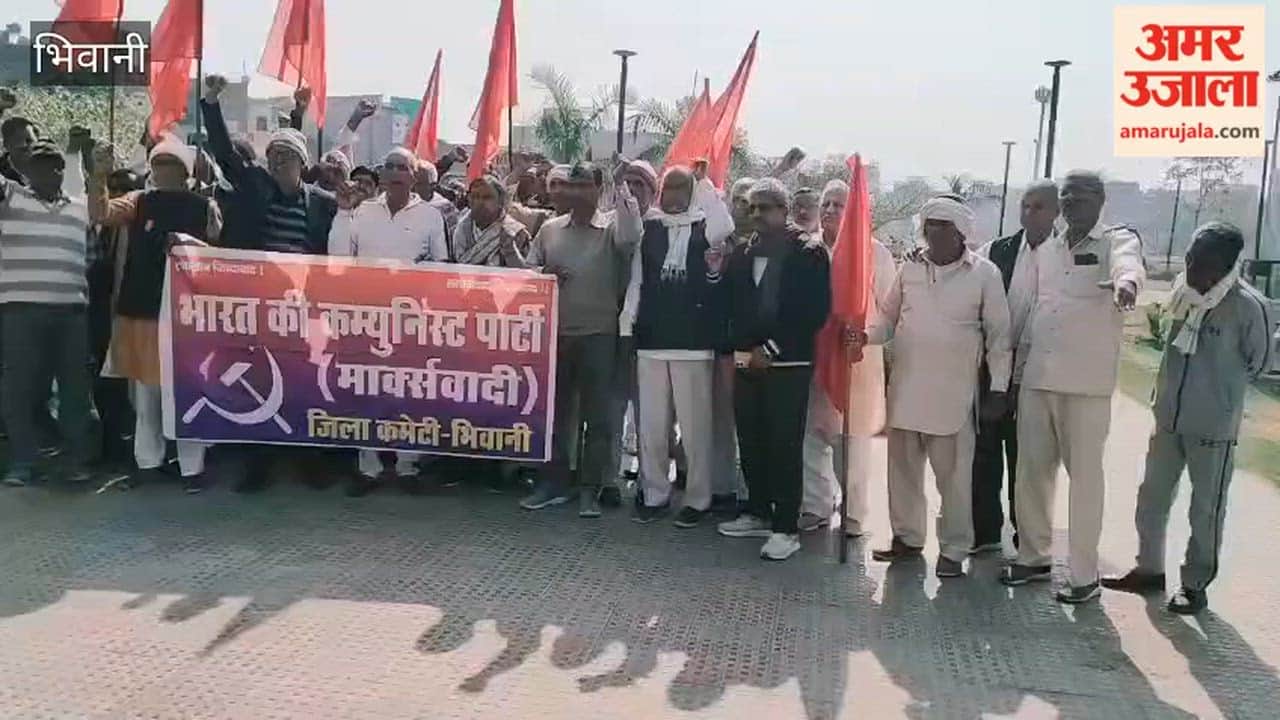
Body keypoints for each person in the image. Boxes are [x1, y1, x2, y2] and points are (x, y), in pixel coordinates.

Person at [1103, 222, 1271, 614]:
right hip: (1168, 419)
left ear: (1226, 266)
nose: (1192, 268)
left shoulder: (1248, 306)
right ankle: (1148, 570)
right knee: (1152, 498)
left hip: (1213, 427)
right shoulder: (1182, 291)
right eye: (1190, 257)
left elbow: (1258, 363)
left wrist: (1218, 394)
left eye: (1202, 263)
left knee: (1205, 509)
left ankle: (1194, 585)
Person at [1000, 170, 1145, 604]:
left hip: (1084, 387)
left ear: (1100, 200)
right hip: (1038, 379)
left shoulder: (1116, 241)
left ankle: (1084, 576)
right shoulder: (1049, 249)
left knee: (1085, 482)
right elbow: (1034, 312)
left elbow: (1128, 265)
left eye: (1081, 197)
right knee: (1031, 474)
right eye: (1066, 197)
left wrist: (1126, 284)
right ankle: (1033, 556)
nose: (1071, 204)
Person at [850, 197, 1011, 578]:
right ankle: (907, 539)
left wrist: (999, 389)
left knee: (955, 481)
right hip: (906, 390)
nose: (933, 232)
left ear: (960, 232)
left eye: (942, 225)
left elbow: (1000, 338)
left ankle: (954, 550)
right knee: (902, 473)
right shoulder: (910, 269)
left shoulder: (984, 274)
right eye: (929, 224)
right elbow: (888, 321)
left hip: (953, 398)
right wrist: (864, 337)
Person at [87, 136, 221, 493]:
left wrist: (189, 245)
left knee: (188, 393)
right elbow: (100, 213)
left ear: (185, 171)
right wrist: (98, 177)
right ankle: (148, 464)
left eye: (170, 164)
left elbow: (220, 253)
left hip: (188, 315)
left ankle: (192, 469)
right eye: (158, 163)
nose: (163, 170)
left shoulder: (204, 206)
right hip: (142, 311)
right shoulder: (139, 201)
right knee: (146, 396)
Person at [717, 178, 831, 561]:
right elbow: (733, 303)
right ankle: (758, 511)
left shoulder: (808, 252)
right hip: (748, 361)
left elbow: (812, 311)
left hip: (789, 361)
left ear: (783, 211)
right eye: (751, 208)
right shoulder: (744, 252)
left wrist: (772, 348)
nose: (756, 215)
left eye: (764, 208)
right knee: (751, 438)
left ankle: (786, 527)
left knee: (783, 443)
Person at [519, 162, 639, 518]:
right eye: (570, 186)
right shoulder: (551, 229)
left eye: (584, 186)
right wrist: (544, 275)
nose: (574, 193)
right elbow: (527, 271)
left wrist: (623, 189)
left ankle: (590, 488)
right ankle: (554, 484)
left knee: (597, 418)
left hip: (600, 336)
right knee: (556, 416)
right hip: (556, 335)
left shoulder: (613, 229)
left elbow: (632, 235)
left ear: (598, 190)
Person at [329, 146, 449, 496]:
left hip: (411, 318)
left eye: (403, 167)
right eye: (390, 166)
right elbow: (337, 257)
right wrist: (342, 212)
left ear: (414, 176)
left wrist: (414, 277)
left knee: (409, 391)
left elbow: (441, 265)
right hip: (365, 316)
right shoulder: (361, 211)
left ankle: (407, 465)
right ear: (381, 175)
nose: (396, 172)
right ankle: (369, 468)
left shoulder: (430, 215)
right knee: (367, 390)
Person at [621, 165, 733, 527]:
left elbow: (725, 228)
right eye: (667, 188)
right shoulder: (649, 227)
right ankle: (654, 494)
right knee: (651, 425)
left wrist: (703, 184)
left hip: (694, 343)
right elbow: (637, 282)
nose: (671, 195)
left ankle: (698, 499)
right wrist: (628, 327)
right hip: (652, 340)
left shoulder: (707, 225)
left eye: (680, 188)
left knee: (696, 426)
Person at [799, 179, 896, 536]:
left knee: (851, 442)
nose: (829, 211)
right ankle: (815, 505)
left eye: (839, 205)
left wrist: (863, 334)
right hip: (812, 357)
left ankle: (853, 513)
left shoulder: (874, 253)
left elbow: (888, 310)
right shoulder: (807, 250)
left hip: (855, 360)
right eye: (825, 203)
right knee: (812, 436)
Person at [0, 139, 96, 487]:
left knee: (75, 390)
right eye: (41, 165)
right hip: (20, 310)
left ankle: (76, 461)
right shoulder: (10, 198)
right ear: (27, 171)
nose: (50, 171)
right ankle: (24, 462)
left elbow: (91, 257)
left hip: (71, 312)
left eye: (56, 164)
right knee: (19, 389)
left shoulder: (81, 208)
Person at [971, 180, 1059, 553]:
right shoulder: (996, 252)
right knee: (984, 455)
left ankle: (1028, 539)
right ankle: (985, 533)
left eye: (1039, 207)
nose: (1029, 213)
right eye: (1025, 205)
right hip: (994, 374)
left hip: (1039, 378)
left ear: (1056, 213)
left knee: (1028, 462)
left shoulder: (1066, 256)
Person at [200, 74, 337, 256]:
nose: (279, 160)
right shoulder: (255, 186)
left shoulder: (323, 204)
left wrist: (297, 114)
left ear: (303, 163)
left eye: (286, 155)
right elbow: (225, 153)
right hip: (256, 280)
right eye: (273, 154)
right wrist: (211, 103)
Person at [452, 175, 530, 267]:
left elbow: (527, 274)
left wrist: (510, 251)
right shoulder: (459, 229)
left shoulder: (517, 233)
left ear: (500, 201)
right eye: (475, 196)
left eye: (487, 197)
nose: (480, 202)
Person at [728, 177, 757, 246]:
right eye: (745, 201)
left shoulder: (764, 239)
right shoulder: (720, 233)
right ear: (734, 201)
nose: (750, 207)